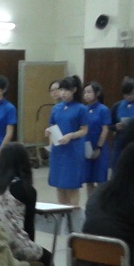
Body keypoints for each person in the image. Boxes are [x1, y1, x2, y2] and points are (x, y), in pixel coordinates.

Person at [45, 75, 88, 206]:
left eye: (66, 90)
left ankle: (73, 214)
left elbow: (84, 130)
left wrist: (71, 135)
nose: (63, 93)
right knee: (59, 185)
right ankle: (61, 212)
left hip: (72, 151)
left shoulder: (81, 108)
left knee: (71, 185)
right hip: (58, 150)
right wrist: (48, 131)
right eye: (61, 90)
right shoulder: (56, 108)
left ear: (74, 90)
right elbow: (52, 125)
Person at [82, 81, 112, 201]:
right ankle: (91, 204)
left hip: (100, 148)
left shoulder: (103, 109)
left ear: (97, 93)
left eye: (89, 92)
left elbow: (105, 129)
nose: (86, 95)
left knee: (100, 180)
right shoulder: (83, 109)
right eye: (85, 92)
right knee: (88, 180)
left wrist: (98, 148)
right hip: (86, 148)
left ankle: (102, 205)